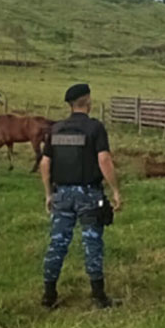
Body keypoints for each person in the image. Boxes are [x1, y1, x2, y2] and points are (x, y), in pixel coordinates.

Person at [39, 84, 122, 309]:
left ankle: (49, 295)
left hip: (62, 194)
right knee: (92, 242)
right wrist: (115, 190)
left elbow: (45, 163)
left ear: (70, 104)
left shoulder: (56, 129)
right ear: (88, 102)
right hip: (89, 194)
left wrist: (49, 194)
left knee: (57, 243)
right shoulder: (94, 128)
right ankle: (98, 296)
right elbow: (104, 160)